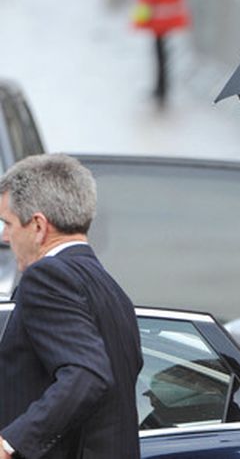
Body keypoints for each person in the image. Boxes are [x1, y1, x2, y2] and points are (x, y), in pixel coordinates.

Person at [0, 154, 143, 459]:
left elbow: (86, 374)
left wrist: (11, 443)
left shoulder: (46, 276)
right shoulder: (111, 288)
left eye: (7, 224)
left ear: (38, 226)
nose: (4, 237)